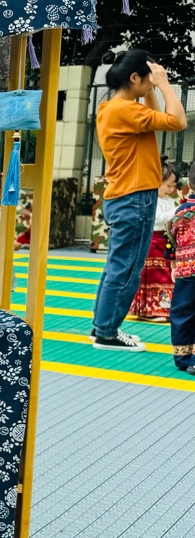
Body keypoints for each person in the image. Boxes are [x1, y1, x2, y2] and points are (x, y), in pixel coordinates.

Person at [90, 50, 187, 350]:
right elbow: (178, 121)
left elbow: (158, 121)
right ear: (134, 77)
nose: (152, 83)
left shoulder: (112, 108)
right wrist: (165, 84)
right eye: (148, 79)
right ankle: (107, 333)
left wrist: (152, 89)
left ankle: (102, 326)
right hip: (135, 198)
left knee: (116, 266)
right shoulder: (126, 110)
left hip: (123, 196)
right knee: (127, 269)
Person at [131, 162, 179, 321]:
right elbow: (156, 220)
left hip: (165, 241)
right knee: (154, 275)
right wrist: (175, 212)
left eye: (173, 186)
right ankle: (151, 310)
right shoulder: (152, 200)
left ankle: (161, 308)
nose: (171, 190)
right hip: (153, 242)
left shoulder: (168, 201)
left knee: (165, 274)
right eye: (168, 185)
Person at [168, 168, 195, 375]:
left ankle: (182, 356)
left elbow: (170, 239)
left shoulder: (180, 211)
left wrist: (173, 265)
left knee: (182, 312)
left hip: (186, 270)